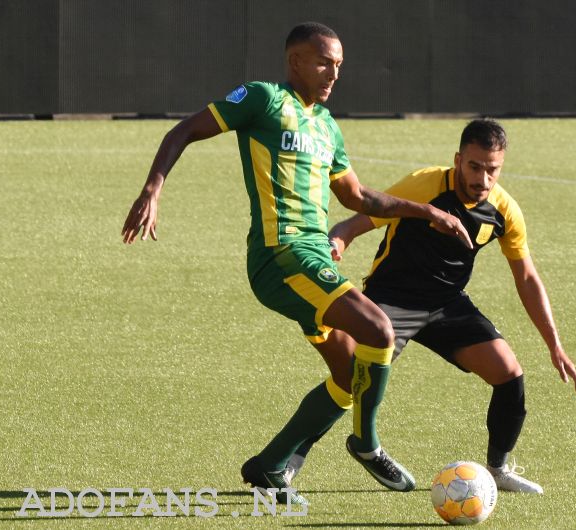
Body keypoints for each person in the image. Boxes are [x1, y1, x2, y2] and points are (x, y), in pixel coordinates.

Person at [120, 22, 473, 505]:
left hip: (311, 259)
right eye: (325, 61)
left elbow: (358, 195)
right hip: (281, 256)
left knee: (351, 375)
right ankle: (367, 445)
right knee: (380, 331)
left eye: (340, 65)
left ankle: (269, 465)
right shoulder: (263, 99)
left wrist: (427, 211)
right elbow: (184, 129)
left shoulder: (326, 125)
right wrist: (152, 190)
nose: (333, 73)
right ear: (296, 62)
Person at [280, 118, 576, 495]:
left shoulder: (504, 210)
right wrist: (339, 239)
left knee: (509, 374)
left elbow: (526, 278)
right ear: (457, 160)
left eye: (493, 169)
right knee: (351, 379)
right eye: (475, 167)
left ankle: (498, 469)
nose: (483, 179)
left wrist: (554, 344)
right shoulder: (426, 184)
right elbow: (363, 218)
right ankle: (291, 459)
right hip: (391, 301)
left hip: (446, 305)